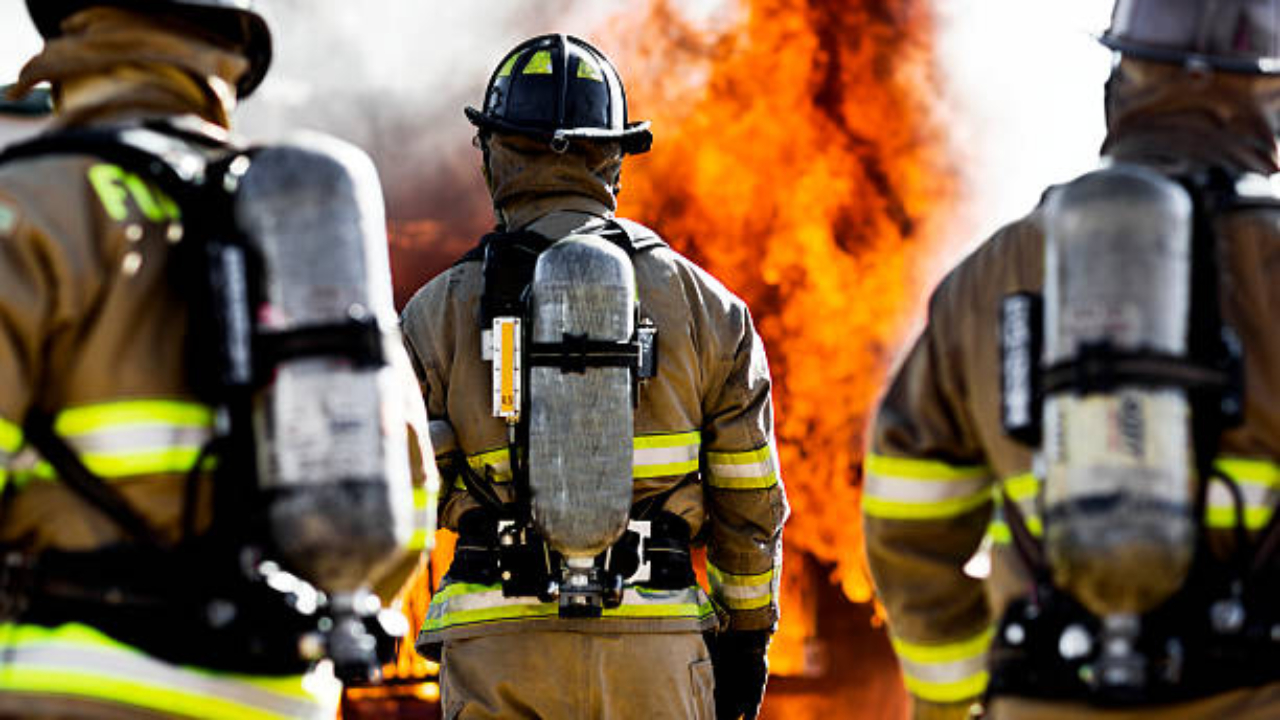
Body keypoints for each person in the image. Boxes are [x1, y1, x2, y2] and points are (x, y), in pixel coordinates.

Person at [0, 1, 434, 718]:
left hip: (66, 695)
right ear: (227, 52)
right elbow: (401, 516)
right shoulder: (307, 232)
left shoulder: (30, 205)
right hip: (276, 700)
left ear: (71, 30)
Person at [863, 1, 1280, 718]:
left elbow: (908, 511)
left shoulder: (993, 274)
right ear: (1265, 93)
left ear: (1124, 79)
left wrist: (958, 698)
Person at [401, 34, 788, 720]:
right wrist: (746, 644)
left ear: (495, 153)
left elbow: (401, 497)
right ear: (612, 155)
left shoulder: (435, 314)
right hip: (655, 655)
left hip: (499, 653)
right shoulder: (708, 308)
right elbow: (748, 503)